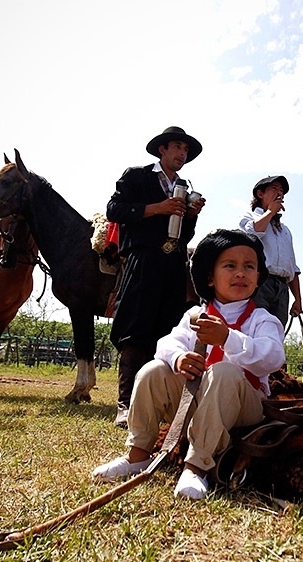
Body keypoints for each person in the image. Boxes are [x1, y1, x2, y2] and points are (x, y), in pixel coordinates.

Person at [91, 229, 286, 500]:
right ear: (209, 276)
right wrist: (179, 359)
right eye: (230, 265)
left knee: (224, 371)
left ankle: (196, 467)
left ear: (257, 279)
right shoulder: (195, 315)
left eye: (249, 267)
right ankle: (138, 455)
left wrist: (227, 338)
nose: (240, 273)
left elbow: (273, 357)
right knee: (153, 370)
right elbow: (167, 344)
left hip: (245, 409)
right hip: (195, 403)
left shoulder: (262, 319)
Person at [106, 126, 206, 428]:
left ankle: (159, 402)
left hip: (173, 262)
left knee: (169, 328)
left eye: (186, 150)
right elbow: (115, 209)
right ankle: (125, 404)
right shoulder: (137, 176)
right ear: (161, 149)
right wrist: (157, 208)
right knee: (136, 328)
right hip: (144, 258)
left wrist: (191, 215)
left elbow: (185, 234)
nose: (182, 154)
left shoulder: (185, 187)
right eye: (177, 147)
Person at [239, 175, 302, 329]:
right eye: (274, 189)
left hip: (282, 288)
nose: (279, 194)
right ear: (260, 194)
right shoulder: (249, 217)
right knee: (254, 329)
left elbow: (292, 267)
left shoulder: (285, 231)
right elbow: (254, 233)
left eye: (281, 191)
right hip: (259, 283)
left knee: (276, 334)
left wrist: (298, 299)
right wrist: (270, 212)